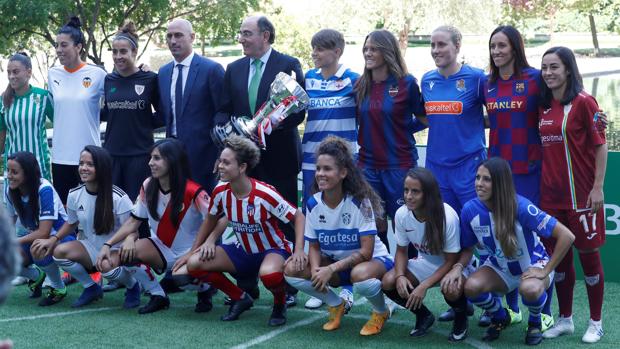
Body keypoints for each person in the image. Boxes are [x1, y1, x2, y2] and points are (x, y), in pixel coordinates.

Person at [216, 14, 305, 306]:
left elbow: (299, 113)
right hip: (245, 163)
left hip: (279, 159)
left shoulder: (289, 65)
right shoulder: (234, 68)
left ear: (265, 35)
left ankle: (288, 286)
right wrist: (223, 129)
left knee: (284, 222)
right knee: (243, 221)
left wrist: (266, 126)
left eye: (246, 33)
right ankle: (247, 286)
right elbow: (224, 109)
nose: (240, 39)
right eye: (241, 34)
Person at [175, 135, 306, 327]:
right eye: (220, 161)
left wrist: (299, 250)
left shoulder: (265, 193)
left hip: (272, 250)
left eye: (226, 162)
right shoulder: (220, 191)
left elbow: (298, 217)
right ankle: (240, 297)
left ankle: (280, 304)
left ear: (242, 167)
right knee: (193, 265)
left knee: (269, 275)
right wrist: (196, 249)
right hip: (242, 251)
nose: (220, 166)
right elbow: (211, 219)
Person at [450, 158, 574, 345]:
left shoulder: (521, 207)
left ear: (500, 183)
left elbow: (567, 236)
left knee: (529, 290)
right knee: (471, 288)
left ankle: (534, 322)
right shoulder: (469, 210)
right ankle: (500, 316)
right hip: (500, 267)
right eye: (477, 178)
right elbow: (467, 248)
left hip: (532, 265)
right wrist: (457, 267)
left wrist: (546, 270)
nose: (479, 184)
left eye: (486, 179)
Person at [96, 139, 223, 314]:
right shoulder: (148, 186)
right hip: (160, 247)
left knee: (182, 279)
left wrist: (201, 247)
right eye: (151, 158)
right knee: (116, 258)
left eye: (156, 158)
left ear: (171, 161)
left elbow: (220, 219)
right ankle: (158, 295)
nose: (150, 163)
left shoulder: (194, 191)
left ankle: (205, 289)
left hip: (192, 251)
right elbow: (133, 221)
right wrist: (108, 244)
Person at [285, 136, 393, 335]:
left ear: (343, 172)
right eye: (318, 169)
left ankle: (381, 311)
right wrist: (317, 270)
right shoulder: (313, 203)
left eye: (327, 169)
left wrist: (330, 269)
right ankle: (336, 305)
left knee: (359, 275)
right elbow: (315, 245)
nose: (320, 174)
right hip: (339, 265)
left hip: (374, 262)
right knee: (292, 268)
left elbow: (366, 252)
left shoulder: (361, 202)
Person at [484, 25, 553, 329]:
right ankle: (512, 308)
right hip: (499, 173)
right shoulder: (487, 84)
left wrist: (595, 117)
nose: (497, 51)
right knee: (504, 236)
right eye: (493, 47)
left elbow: (565, 101)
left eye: (502, 46)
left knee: (533, 239)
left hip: (528, 171)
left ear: (515, 47)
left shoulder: (535, 79)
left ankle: (545, 310)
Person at [537, 46, 608, 344]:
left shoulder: (584, 103)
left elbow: (600, 145)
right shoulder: (542, 106)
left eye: (554, 67)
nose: (549, 73)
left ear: (568, 69)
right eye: (544, 68)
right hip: (550, 199)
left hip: (581, 196)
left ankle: (596, 322)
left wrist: (597, 187)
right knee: (560, 260)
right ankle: (565, 319)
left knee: (589, 257)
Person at [30, 146, 141, 309]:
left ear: (101, 168)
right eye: (81, 163)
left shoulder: (118, 197)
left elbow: (133, 229)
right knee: (58, 251)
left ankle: (133, 286)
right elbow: (72, 223)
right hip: (90, 246)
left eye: (90, 164)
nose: (83, 168)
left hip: (115, 249)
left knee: (106, 269)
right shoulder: (74, 194)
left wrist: (130, 240)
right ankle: (91, 287)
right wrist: (53, 240)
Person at [301, 28, 358, 310]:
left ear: (337, 51)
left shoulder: (354, 79)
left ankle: (347, 286)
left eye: (320, 49)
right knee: (316, 221)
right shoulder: (308, 78)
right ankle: (320, 283)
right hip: (311, 161)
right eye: (313, 48)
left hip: (343, 164)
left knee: (345, 223)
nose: (315, 53)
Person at [355, 29, 425, 253]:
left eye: (373, 49)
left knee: (404, 221)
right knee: (375, 223)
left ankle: (412, 270)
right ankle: (383, 267)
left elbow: (425, 119)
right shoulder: (360, 85)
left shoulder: (406, 84)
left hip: (399, 165)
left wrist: (403, 130)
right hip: (367, 167)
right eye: (365, 49)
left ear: (387, 51)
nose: (368, 53)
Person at [381, 167, 469, 341]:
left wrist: (424, 286)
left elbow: (451, 261)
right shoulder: (401, 214)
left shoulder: (447, 217)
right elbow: (401, 250)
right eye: (406, 190)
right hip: (426, 263)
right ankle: (423, 315)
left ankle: (461, 317)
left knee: (450, 288)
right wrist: (399, 276)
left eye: (415, 191)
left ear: (428, 194)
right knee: (389, 282)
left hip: (454, 266)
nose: (408, 196)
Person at [157, 18, 224, 193]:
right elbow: (163, 113)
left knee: (204, 211)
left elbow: (222, 112)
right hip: (171, 158)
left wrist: (221, 154)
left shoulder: (212, 70)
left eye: (178, 35)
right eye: (169, 36)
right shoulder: (163, 73)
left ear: (192, 37)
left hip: (205, 159)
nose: (173, 41)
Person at [48, 16, 106, 203]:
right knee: (66, 215)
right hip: (60, 158)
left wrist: (142, 69)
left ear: (79, 47)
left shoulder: (97, 74)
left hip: (89, 158)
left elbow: (121, 91)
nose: (58, 50)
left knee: (92, 213)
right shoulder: (52, 74)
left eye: (64, 45)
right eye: (57, 45)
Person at [102, 21, 161, 204]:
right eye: (114, 51)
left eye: (123, 51)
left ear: (134, 52)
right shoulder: (109, 80)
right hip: (112, 155)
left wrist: (141, 124)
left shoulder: (150, 78)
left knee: (139, 209)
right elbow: (107, 113)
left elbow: (162, 115)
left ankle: (141, 235)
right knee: (113, 209)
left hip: (140, 155)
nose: (118, 56)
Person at [5, 151, 72, 306]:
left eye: (14, 172)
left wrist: (13, 241)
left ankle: (59, 288)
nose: (9, 175)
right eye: (8, 171)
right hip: (34, 238)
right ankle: (36, 276)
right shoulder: (10, 191)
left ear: (28, 173)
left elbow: (44, 232)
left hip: (60, 237)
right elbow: (9, 222)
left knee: (39, 248)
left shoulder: (44, 189)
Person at [0, 53, 53, 182]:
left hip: (38, 166)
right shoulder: (3, 100)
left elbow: (61, 125)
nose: (11, 76)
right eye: (9, 72)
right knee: (15, 202)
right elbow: (1, 137)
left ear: (29, 72)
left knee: (40, 201)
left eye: (16, 72)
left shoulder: (44, 97)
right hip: (12, 169)